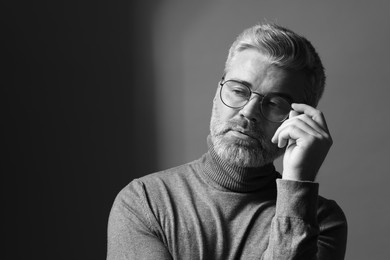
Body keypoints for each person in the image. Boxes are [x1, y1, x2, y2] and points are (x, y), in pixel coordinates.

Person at [107, 23, 348, 259]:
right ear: (216, 95)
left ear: (299, 120)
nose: (249, 112)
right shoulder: (145, 201)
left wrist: (297, 181)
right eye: (239, 91)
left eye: (275, 103)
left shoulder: (319, 220)